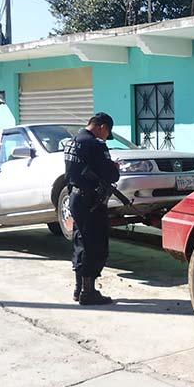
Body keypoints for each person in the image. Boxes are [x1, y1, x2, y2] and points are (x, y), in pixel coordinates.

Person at [64, 113, 121, 305]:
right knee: (94, 245)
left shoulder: (72, 142)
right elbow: (111, 175)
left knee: (81, 241)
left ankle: (79, 289)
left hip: (76, 198)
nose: (105, 137)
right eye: (107, 133)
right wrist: (115, 168)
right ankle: (89, 293)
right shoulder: (96, 145)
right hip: (90, 201)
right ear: (102, 127)